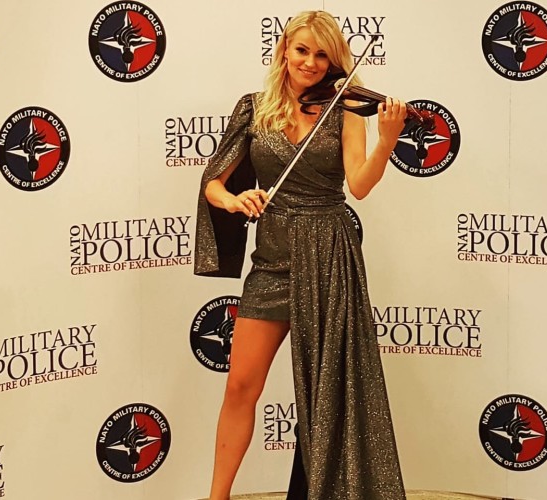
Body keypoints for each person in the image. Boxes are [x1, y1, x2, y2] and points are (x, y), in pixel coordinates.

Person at [194, 10, 407, 500]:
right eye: (302, 50)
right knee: (240, 386)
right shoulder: (254, 108)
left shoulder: (346, 107)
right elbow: (213, 184)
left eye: (322, 55)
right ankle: (216, 497)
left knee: (332, 393)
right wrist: (235, 200)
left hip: (329, 255)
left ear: (334, 60)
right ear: (284, 50)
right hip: (272, 262)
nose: (310, 63)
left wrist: (388, 140)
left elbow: (359, 185)